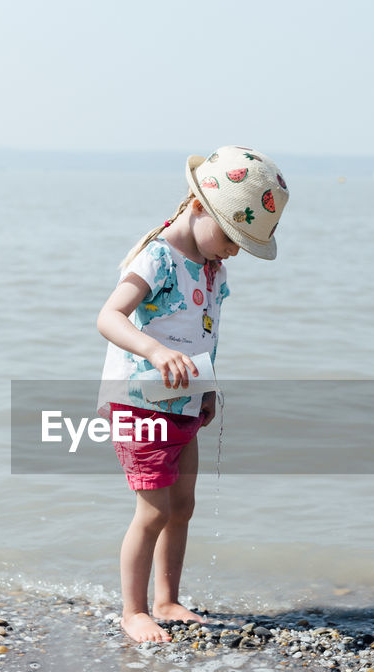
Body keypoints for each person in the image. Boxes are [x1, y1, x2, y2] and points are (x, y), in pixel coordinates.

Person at [97, 146, 289, 643]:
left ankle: (167, 599)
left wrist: (207, 389)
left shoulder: (211, 268)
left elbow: (205, 334)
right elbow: (109, 317)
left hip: (184, 400)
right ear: (200, 206)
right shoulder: (157, 257)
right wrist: (155, 351)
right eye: (232, 237)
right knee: (154, 509)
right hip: (138, 400)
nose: (234, 252)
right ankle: (134, 610)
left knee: (183, 505)